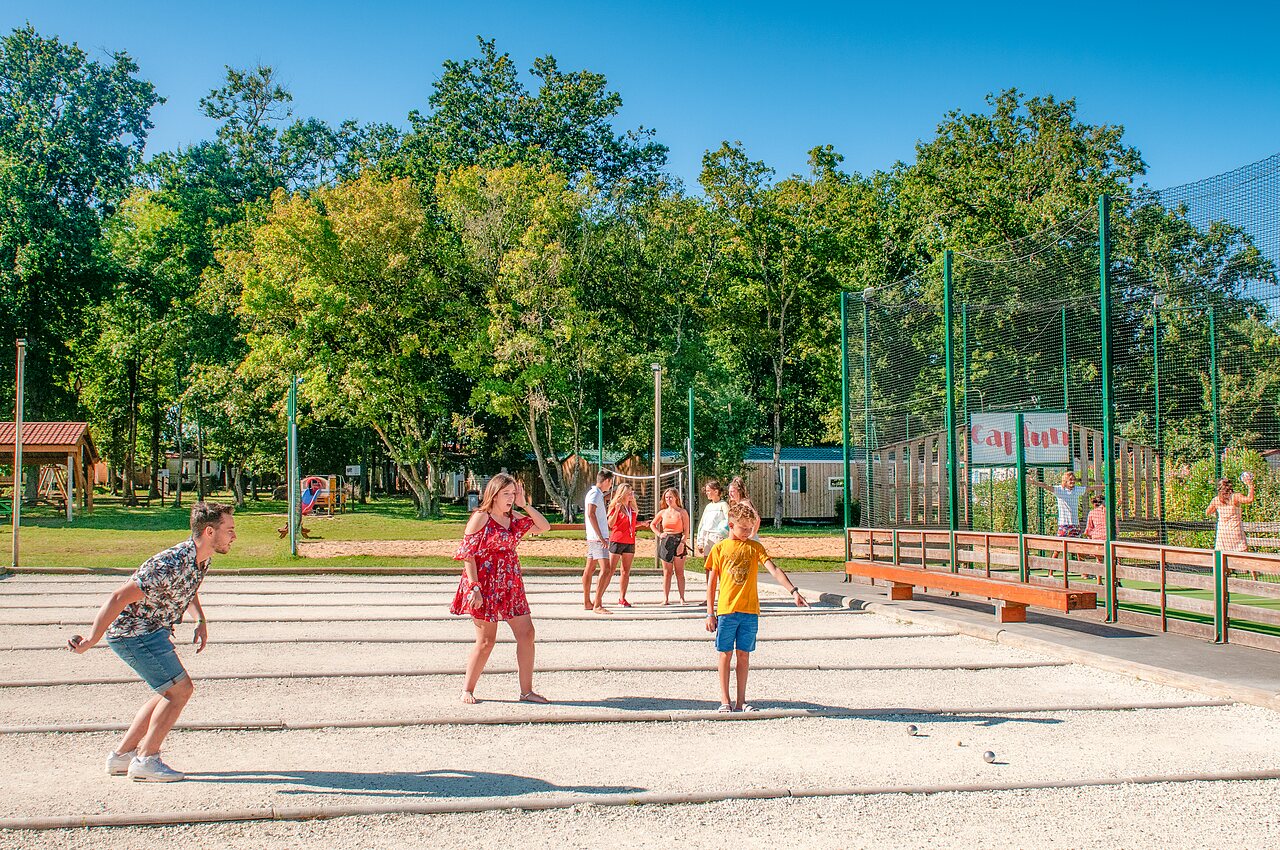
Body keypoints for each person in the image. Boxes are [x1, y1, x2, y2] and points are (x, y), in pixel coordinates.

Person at [67, 502, 237, 782]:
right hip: (134, 633)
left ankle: (122, 757)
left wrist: (200, 621)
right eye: (229, 530)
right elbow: (118, 598)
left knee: (167, 691)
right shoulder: (169, 563)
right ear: (209, 531)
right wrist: (89, 640)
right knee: (180, 691)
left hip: (153, 631)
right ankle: (147, 759)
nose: (234, 536)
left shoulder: (201, 558)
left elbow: (187, 589)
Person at [451, 473, 552, 704]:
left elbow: (543, 526)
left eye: (513, 493)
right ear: (494, 494)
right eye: (506, 493)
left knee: (527, 634)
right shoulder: (481, 517)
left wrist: (525, 504)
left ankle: (526, 691)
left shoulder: (514, 518)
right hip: (484, 583)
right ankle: (467, 689)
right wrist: (474, 587)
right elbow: (468, 553)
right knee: (487, 641)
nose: (510, 497)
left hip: (510, 581)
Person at [704, 502, 808, 712]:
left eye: (751, 528)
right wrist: (709, 612)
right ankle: (725, 700)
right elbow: (712, 583)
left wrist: (793, 591)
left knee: (744, 654)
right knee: (725, 653)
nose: (748, 532)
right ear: (731, 525)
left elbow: (774, 569)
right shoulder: (719, 549)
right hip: (726, 610)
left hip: (750, 611)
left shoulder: (755, 547)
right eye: (743, 528)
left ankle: (741, 701)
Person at [1028, 470, 1102, 537]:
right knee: (1059, 547)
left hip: (1075, 524)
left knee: (1077, 546)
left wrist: (1106, 486)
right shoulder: (1060, 490)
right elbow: (1046, 486)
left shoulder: (1077, 489)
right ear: (1065, 481)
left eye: (1073, 480)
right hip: (1064, 524)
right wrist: (1034, 482)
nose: (1072, 481)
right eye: (1070, 480)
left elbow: (1090, 488)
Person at [650, 487, 692, 605]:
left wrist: (682, 543)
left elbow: (686, 531)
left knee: (679, 571)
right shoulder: (663, 512)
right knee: (667, 572)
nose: (668, 499)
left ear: (676, 498)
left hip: (678, 540)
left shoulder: (682, 512)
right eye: (666, 497)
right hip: (666, 541)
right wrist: (659, 534)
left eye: (670, 497)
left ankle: (682, 598)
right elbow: (652, 524)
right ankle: (666, 598)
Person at [582, 470, 614, 611]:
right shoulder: (595, 494)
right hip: (597, 538)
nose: (611, 486)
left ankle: (587, 602)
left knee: (590, 569)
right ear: (606, 481)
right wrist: (601, 536)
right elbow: (590, 513)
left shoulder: (596, 494)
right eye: (611, 483)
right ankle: (597, 604)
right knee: (606, 569)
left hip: (594, 537)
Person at [605, 484, 639, 608]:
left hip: (630, 541)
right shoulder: (616, 506)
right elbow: (610, 524)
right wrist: (617, 510)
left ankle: (622, 598)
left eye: (632, 492)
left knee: (625, 571)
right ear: (623, 493)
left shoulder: (632, 507)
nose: (631, 495)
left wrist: (642, 524)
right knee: (609, 570)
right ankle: (599, 597)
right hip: (617, 540)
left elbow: (632, 523)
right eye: (629, 493)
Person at [1207, 472, 1256, 553]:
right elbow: (1249, 499)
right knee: (1242, 559)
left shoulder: (1216, 500)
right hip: (1235, 533)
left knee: (1221, 560)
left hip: (1222, 535)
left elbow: (1207, 512)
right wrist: (1250, 485)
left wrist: (1216, 514)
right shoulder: (1235, 497)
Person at [695, 479, 730, 557]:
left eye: (708, 491)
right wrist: (700, 541)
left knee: (717, 562)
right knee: (707, 563)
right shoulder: (708, 506)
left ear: (716, 491)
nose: (706, 493)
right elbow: (702, 524)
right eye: (706, 491)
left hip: (718, 538)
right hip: (707, 538)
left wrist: (722, 534)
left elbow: (729, 521)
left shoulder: (723, 505)